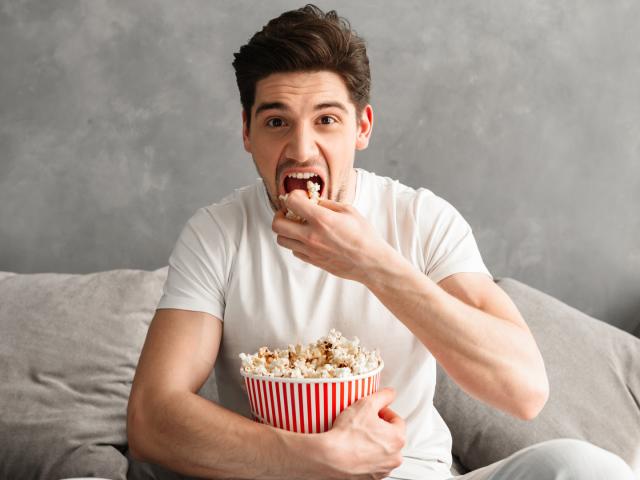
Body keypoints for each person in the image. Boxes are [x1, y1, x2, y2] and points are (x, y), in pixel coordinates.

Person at [127, 5, 635, 480]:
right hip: (284, 475)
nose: (301, 149)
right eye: (276, 122)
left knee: (584, 466)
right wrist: (317, 457)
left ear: (361, 128)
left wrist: (370, 263)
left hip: (414, 473)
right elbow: (152, 418)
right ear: (246, 132)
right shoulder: (216, 234)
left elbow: (524, 391)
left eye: (326, 120)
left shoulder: (421, 219)